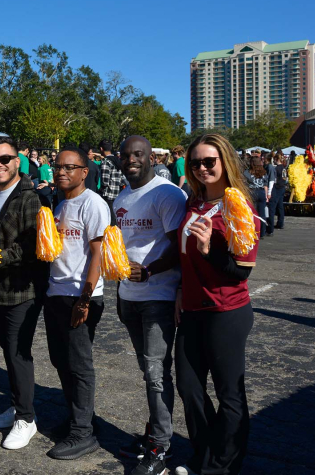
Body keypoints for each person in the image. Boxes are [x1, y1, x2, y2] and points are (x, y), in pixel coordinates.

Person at [174, 134, 259, 475]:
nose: (202, 167)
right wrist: (181, 288)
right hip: (192, 310)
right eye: (195, 162)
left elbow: (241, 271)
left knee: (229, 395)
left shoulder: (237, 205)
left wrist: (212, 251)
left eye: (209, 161)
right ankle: (205, 453)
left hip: (226, 312)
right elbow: (183, 256)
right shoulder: (192, 202)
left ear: (225, 162)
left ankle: (221, 466)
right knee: (189, 389)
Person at [113, 136, 187, 475]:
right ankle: (155, 431)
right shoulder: (121, 197)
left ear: (150, 158)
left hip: (158, 296)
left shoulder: (168, 193)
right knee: (148, 372)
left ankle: (161, 446)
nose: (132, 160)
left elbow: (180, 246)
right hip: (127, 297)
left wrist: (152, 270)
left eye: (138, 155)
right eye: (126, 155)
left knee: (157, 374)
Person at [0, 138, 47, 450]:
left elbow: (33, 245)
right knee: (8, 350)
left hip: (21, 289)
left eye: (5, 159)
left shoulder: (28, 196)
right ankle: (17, 406)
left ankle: (27, 419)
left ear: (18, 161)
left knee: (19, 353)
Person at [44, 146, 109, 460]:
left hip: (80, 297)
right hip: (56, 293)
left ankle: (84, 434)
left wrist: (84, 300)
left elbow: (97, 254)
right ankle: (80, 419)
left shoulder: (93, 203)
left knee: (80, 366)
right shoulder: (60, 204)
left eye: (69, 167)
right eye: (58, 167)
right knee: (61, 361)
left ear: (85, 172)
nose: (61, 172)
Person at [243, 156, 268, 239]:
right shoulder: (263, 172)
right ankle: (262, 232)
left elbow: (244, 184)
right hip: (261, 192)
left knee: (252, 213)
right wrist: (266, 195)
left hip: (252, 192)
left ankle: (253, 231)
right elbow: (265, 185)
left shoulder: (247, 172)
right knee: (262, 213)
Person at [99, 141, 123, 226]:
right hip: (117, 193)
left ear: (101, 149)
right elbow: (122, 179)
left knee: (110, 220)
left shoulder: (106, 161)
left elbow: (105, 181)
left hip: (108, 195)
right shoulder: (117, 160)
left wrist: (100, 190)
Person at [270, 153, 287, 231]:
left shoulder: (277, 169)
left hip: (277, 188)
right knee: (280, 206)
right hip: (283, 187)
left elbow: (274, 179)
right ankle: (280, 223)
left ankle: (271, 223)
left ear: (276, 159)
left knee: (273, 206)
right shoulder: (284, 168)